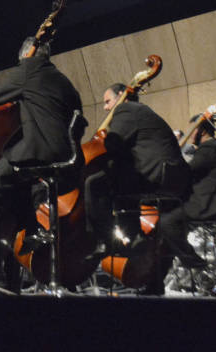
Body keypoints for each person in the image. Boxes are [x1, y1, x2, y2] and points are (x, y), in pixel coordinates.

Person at [0, 37, 84, 293]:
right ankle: (32, 229)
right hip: (68, 160)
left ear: (28, 53)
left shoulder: (30, 70)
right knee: (17, 190)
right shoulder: (65, 81)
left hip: (39, 154)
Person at [83, 82, 189, 291]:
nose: (106, 108)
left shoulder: (126, 110)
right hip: (172, 178)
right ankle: (135, 247)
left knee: (93, 184)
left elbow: (113, 145)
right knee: (119, 190)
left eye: (107, 101)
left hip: (155, 176)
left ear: (122, 96)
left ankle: (104, 241)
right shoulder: (144, 112)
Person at [156, 121, 216, 269]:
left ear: (203, 131)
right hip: (204, 200)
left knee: (166, 222)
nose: (190, 134)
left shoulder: (209, 148)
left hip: (208, 203)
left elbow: (187, 170)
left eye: (192, 129)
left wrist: (171, 156)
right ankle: (157, 281)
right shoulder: (213, 147)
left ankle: (195, 262)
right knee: (168, 229)